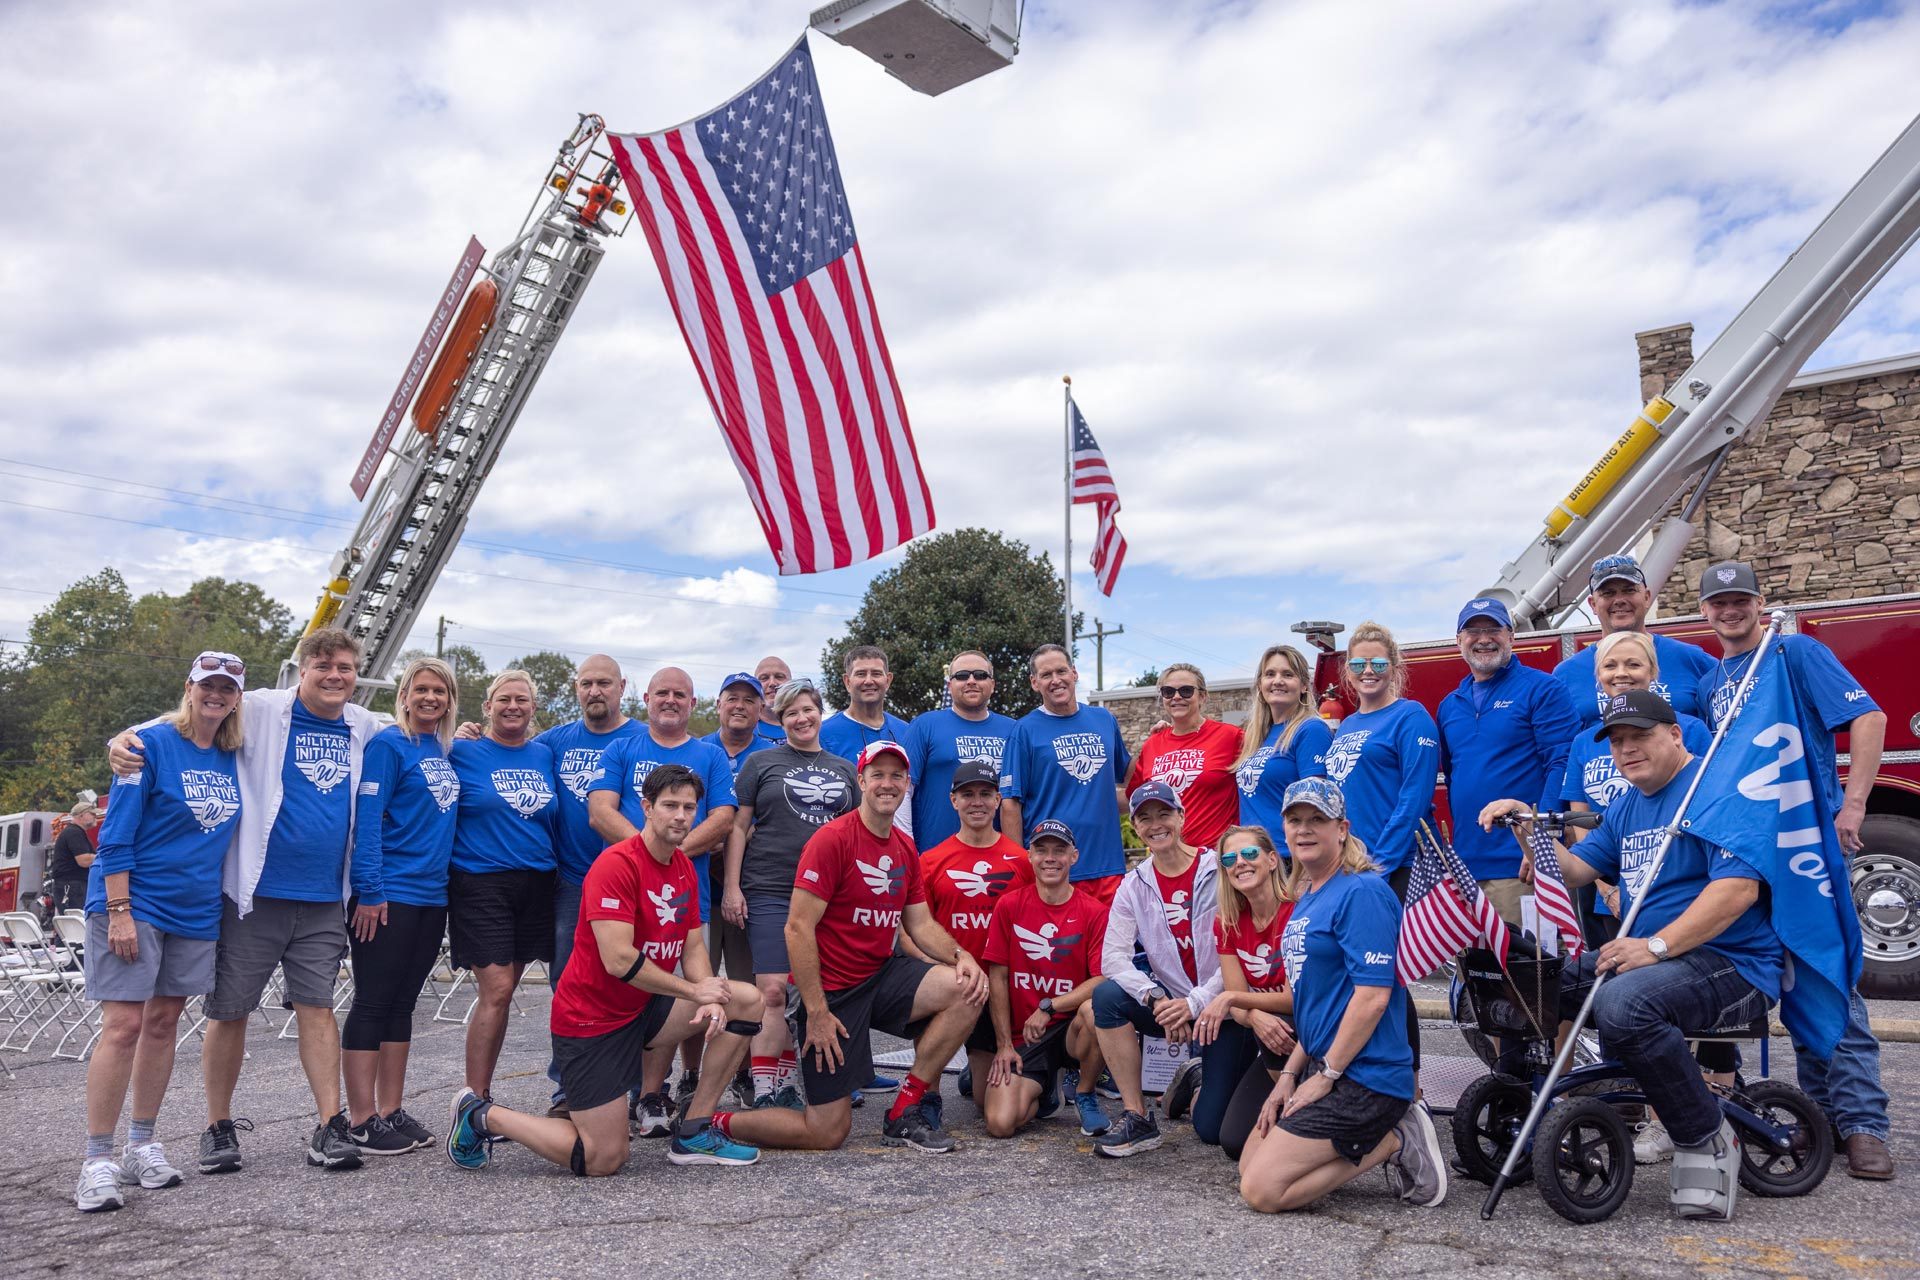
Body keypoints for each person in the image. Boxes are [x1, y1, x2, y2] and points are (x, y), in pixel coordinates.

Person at [1481, 689, 1786, 1221]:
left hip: (1732, 962)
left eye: (1639, 736)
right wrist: (1526, 826)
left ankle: (1705, 1135)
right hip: (1657, 962)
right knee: (1526, 982)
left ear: (1675, 734)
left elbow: (1738, 890)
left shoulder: (1715, 789)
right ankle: (1524, 1112)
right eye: (1617, 741)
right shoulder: (1629, 803)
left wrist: (1654, 946)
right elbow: (1576, 870)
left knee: (1625, 1005)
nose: (1627, 749)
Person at [108, 628, 381, 1174]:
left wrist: (466, 731)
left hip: (324, 897)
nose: (335, 676)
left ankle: (330, 1125)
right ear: (302, 670)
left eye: (346, 668)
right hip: (252, 895)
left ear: (357, 675)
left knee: (318, 1008)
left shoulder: (365, 724)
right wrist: (121, 740)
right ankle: (218, 1126)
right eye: (323, 665)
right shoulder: (260, 707)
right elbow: (190, 715)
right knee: (230, 1011)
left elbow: (418, 729)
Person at [448, 765, 764, 1175]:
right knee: (603, 1158)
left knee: (745, 1000)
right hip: (592, 1021)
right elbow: (618, 961)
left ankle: (694, 1131)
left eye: (689, 808)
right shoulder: (616, 864)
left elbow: (691, 946)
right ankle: (480, 1114)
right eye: (670, 805)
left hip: (643, 1009)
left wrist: (709, 989)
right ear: (646, 808)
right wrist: (693, 992)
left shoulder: (683, 866)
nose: (681, 816)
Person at [1695, 560, 1894, 1181]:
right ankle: (1823, 1117)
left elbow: (1869, 718)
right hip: (1750, 856)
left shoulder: (1796, 653)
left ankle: (1864, 1126)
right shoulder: (1711, 683)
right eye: (1719, 603)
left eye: (1741, 600)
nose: (1730, 610)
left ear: (1760, 603)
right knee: (1783, 983)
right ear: (1704, 612)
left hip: (1804, 845)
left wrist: (1854, 803)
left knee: (1825, 975)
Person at [711, 741, 989, 1155]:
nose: (887, 783)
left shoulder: (903, 846)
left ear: (907, 785)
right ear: (860, 781)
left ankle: (905, 1108)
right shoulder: (832, 839)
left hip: (879, 975)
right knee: (826, 1132)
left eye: (896, 776)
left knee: (967, 987)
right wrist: (817, 1012)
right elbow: (797, 928)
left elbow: (920, 924)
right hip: (832, 992)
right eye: (878, 775)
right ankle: (713, 1121)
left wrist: (961, 956)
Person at [76, 652, 244, 1211]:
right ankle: (97, 1159)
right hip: (135, 902)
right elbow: (116, 833)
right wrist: (119, 909)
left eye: (227, 688)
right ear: (189, 687)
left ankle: (141, 1144)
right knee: (123, 1024)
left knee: (164, 1022)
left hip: (194, 909)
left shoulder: (234, 754)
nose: (216, 694)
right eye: (207, 684)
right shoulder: (147, 744)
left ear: (237, 698)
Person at [1238, 778, 1445, 1213]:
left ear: (1342, 829)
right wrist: (1290, 1076)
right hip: (1324, 1065)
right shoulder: (1309, 896)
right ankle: (1369, 1137)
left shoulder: (1362, 891)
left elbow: (1373, 998)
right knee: (1248, 1165)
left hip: (1367, 1078)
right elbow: (1314, 1006)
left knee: (1262, 1191)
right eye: (1295, 820)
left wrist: (1326, 1075)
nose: (1304, 829)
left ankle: (1393, 1138)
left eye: (1317, 819)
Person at [588, 666, 738, 1123]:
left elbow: (723, 818)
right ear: (646, 699)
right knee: (629, 985)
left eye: (680, 694)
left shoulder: (709, 754)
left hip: (685, 892)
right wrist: (647, 856)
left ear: (693, 703)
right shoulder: (621, 748)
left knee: (685, 991)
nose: (670, 700)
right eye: (662, 693)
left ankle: (658, 1092)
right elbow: (600, 811)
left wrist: (669, 854)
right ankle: (611, 1089)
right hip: (625, 893)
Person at [340, 657, 462, 1156]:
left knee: (403, 1004)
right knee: (373, 1001)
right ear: (405, 695)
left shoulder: (444, 749)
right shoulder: (389, 745)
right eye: (422, 689)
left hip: (432, 896)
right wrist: (370, 889)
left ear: (450, 701)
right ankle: (360, 1118)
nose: (430, 698)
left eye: (440, 691)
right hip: (389, 895)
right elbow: (367, 818)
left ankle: (390, 1109)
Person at [721, 680, 857, 1106]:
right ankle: (768, 1089)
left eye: (808, 709)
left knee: (821, 990)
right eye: (791, 713)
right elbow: (738, 827)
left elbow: (856, 833)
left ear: (820, 713)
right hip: (770, 887)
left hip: (829, 895)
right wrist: (731, 887)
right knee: (774, 991)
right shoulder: (761, 762)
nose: (801, 718)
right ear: (780, 720)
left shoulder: (844, 768)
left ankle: (806, 1082)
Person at [529, 655, 642, 1116]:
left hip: (633, 882)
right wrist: (471, 734)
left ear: (622, 687)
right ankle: (568, 1086)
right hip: (573, 882)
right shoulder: (553, 742)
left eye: (604, 683)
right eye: (587, 683)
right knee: (569, 984)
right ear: (576, 688)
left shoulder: (643, 739)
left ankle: (632, 1087)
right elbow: (506, 747)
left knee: (636, 982)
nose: (595, 691)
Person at [1321, 622, 1436, 1067]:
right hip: (1348, 868)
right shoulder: (1348, 724)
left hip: (1392, 867)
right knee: (1355, 977)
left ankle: (1411, 1084)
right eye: (1358, 663)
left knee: (1387, 977)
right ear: (1347, 671)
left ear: (1394, 666)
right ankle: (1364, 1071)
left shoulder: (1411, 717)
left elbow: (1414, 797)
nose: (1368, 671)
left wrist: (1379, 864)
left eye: (1377, 663)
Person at [1087, 782, 1223, 1158]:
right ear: (1135, 826)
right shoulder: (1134, 884)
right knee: (1107, 997)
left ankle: (1192, 1079)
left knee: (1211, 1127)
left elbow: (1239, 951)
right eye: (1145, 818)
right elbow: (1113, 957)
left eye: (1164, 814)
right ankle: (1137, 1116)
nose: (1155, 824)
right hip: (1172, 1007)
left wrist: (1195, 1003)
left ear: (1182, 817)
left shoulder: (1219, 868)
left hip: (1223, 1005)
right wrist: (1156, 998)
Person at [1560, 631, 1713, 951]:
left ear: (1653, 671)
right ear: (1598, 676)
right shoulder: (1584, 741)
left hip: (1678, 890)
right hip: (1609, 887)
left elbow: (1707, 799)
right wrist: (1606, 890)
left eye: (1633, 664)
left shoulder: (1689, 728)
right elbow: (1580, 818)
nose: (1621, 673)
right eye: (1610, 665)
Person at [448, 670, 560, 1103]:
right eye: (504, 699)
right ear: (487, 706)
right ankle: (472, 1101)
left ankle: (484, 1096)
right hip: (480, 882)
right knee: (495, 989)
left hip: (537, 883)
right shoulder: (462, 750)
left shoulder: (544, 754)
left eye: (522, 700)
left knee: (505, 990)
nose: (513, 706)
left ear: (533, 708)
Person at [1435, 598, 1578, 926]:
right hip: (1467, 870)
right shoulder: (1449, 705)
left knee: (1527, 960)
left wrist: (1541, 843)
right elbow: (1453, 779)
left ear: (1511, 636)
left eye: (1493, 629)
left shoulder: (1543, 689)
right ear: (1459, 640)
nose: (1483, 639)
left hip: (1520, 867)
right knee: (1478, 961)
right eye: (1473, 631)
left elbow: (1562, 764)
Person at [980, 818, 1110, 1138]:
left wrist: (1050, 1006)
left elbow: (1101, 979)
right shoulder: (1010, 905)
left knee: (1097, 1010)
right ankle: (1047, 1088)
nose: (1050, 858)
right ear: (1030, 855)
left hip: (1070, 1029)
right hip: (1027, 1036)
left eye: (1059, 850)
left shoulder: (1094, 911)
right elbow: (998, 977)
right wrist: (1004, 1045)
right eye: (1041, 850)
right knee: (1000, 1123)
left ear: (1074, 856)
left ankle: (1085, 1091)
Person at [916, 759, 1033, 1106]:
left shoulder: (1021, 861)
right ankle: (928, 1096)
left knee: (986, 1103)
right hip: (954, 982)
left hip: (1001, 989)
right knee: (927, 990)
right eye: (968, 794)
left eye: (985, 794)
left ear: (998, 800)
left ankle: (978, 1068)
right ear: (953, 800)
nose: (977, 802)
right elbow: (916, 927)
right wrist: (933, 968)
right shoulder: (931, 861)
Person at [1194, 825, 1297, 1162]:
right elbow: (1239, 1007)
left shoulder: (1297, 911)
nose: (1239, 862)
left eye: (1249, 853)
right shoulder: (1227, 921)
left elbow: (1294, 998)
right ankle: (1192, 1085)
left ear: (1272, 860)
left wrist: (1232, 999)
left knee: (1282, 1021)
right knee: (1226, 1138)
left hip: (1306, 1030)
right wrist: (1252, 1015)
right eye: (1229, 859)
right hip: (1268, 1033)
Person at [1000, 644, 1132, 904]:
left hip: (1107, 866)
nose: (1056, 680)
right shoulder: (1024, 730)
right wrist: (1022, 866)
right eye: (1046, 675)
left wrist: (1161, 739)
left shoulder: (1103, 719)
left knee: (1110, 933)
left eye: (1061, 671)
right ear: (1034, 682)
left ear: (1074, 673)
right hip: (1052, 869)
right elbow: (1010, 804)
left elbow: (1129, 777)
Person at [1552, 553, 1715, 727]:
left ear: (1647, 597)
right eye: (1608, 593)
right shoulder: (1565, 675)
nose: (1619, 600)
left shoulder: (1693, 660)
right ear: (1593, 604)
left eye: (1629, 590)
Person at [702, 671, 774, 1054]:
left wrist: (737, 834)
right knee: (698, 985)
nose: (740, 706)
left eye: (749, 700)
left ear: (762, 708)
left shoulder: (773, 754)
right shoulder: (698, 750)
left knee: (748, 988)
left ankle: (744, 1071)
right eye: (732, 698)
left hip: (753, 889)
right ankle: (691, 1072)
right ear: (718, 704)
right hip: (701, 885)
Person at [904, 649, 1016, 850]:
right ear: (950, 685)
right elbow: (903, 790)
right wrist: (905, 845)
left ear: (992, 684)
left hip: (998, 857)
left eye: (980, 675)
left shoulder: (1014, 730)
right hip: (935, 855)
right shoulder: (924, 726)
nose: (971, 681)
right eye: (962, 675)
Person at [1126, 663, 1244, 850]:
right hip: (1168, 857)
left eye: (1186, 691)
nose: (1177, 697)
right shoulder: (1152, 744)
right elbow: (1134, 798)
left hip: (1216, 856)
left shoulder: (1231, 736)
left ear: (1202, 696)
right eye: (1168, 692)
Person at [1233, 645, 1332, 840]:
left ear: (1304, 686)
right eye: (1270, 674)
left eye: (1288, 674)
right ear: (1260, 684)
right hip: (1253, 851)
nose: (1277, 681)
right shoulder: (1256, 735)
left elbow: (1317, 805)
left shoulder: (1311, 730)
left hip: (1289, 851)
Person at [819, 645, 913, 766]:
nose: (868, 681)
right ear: (847, 681)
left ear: (888, 680)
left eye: (876, 674)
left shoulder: (907, 733)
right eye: (861, 674)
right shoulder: (824, 734)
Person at [48, 800, 101, 916]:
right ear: (81, 815)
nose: (95, 816)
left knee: (75, 923)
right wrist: (104, 856)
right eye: (92, 814)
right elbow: (84, 861)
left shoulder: (74, 832)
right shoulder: (74, 833)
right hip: (73, 887)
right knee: (79, 922)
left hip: (71, 887)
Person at [753, 655, 791, 744]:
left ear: (790, 684)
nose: (772, 683)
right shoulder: (742, 730)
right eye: (764, 678)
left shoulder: (809, 728)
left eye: (779, 677)